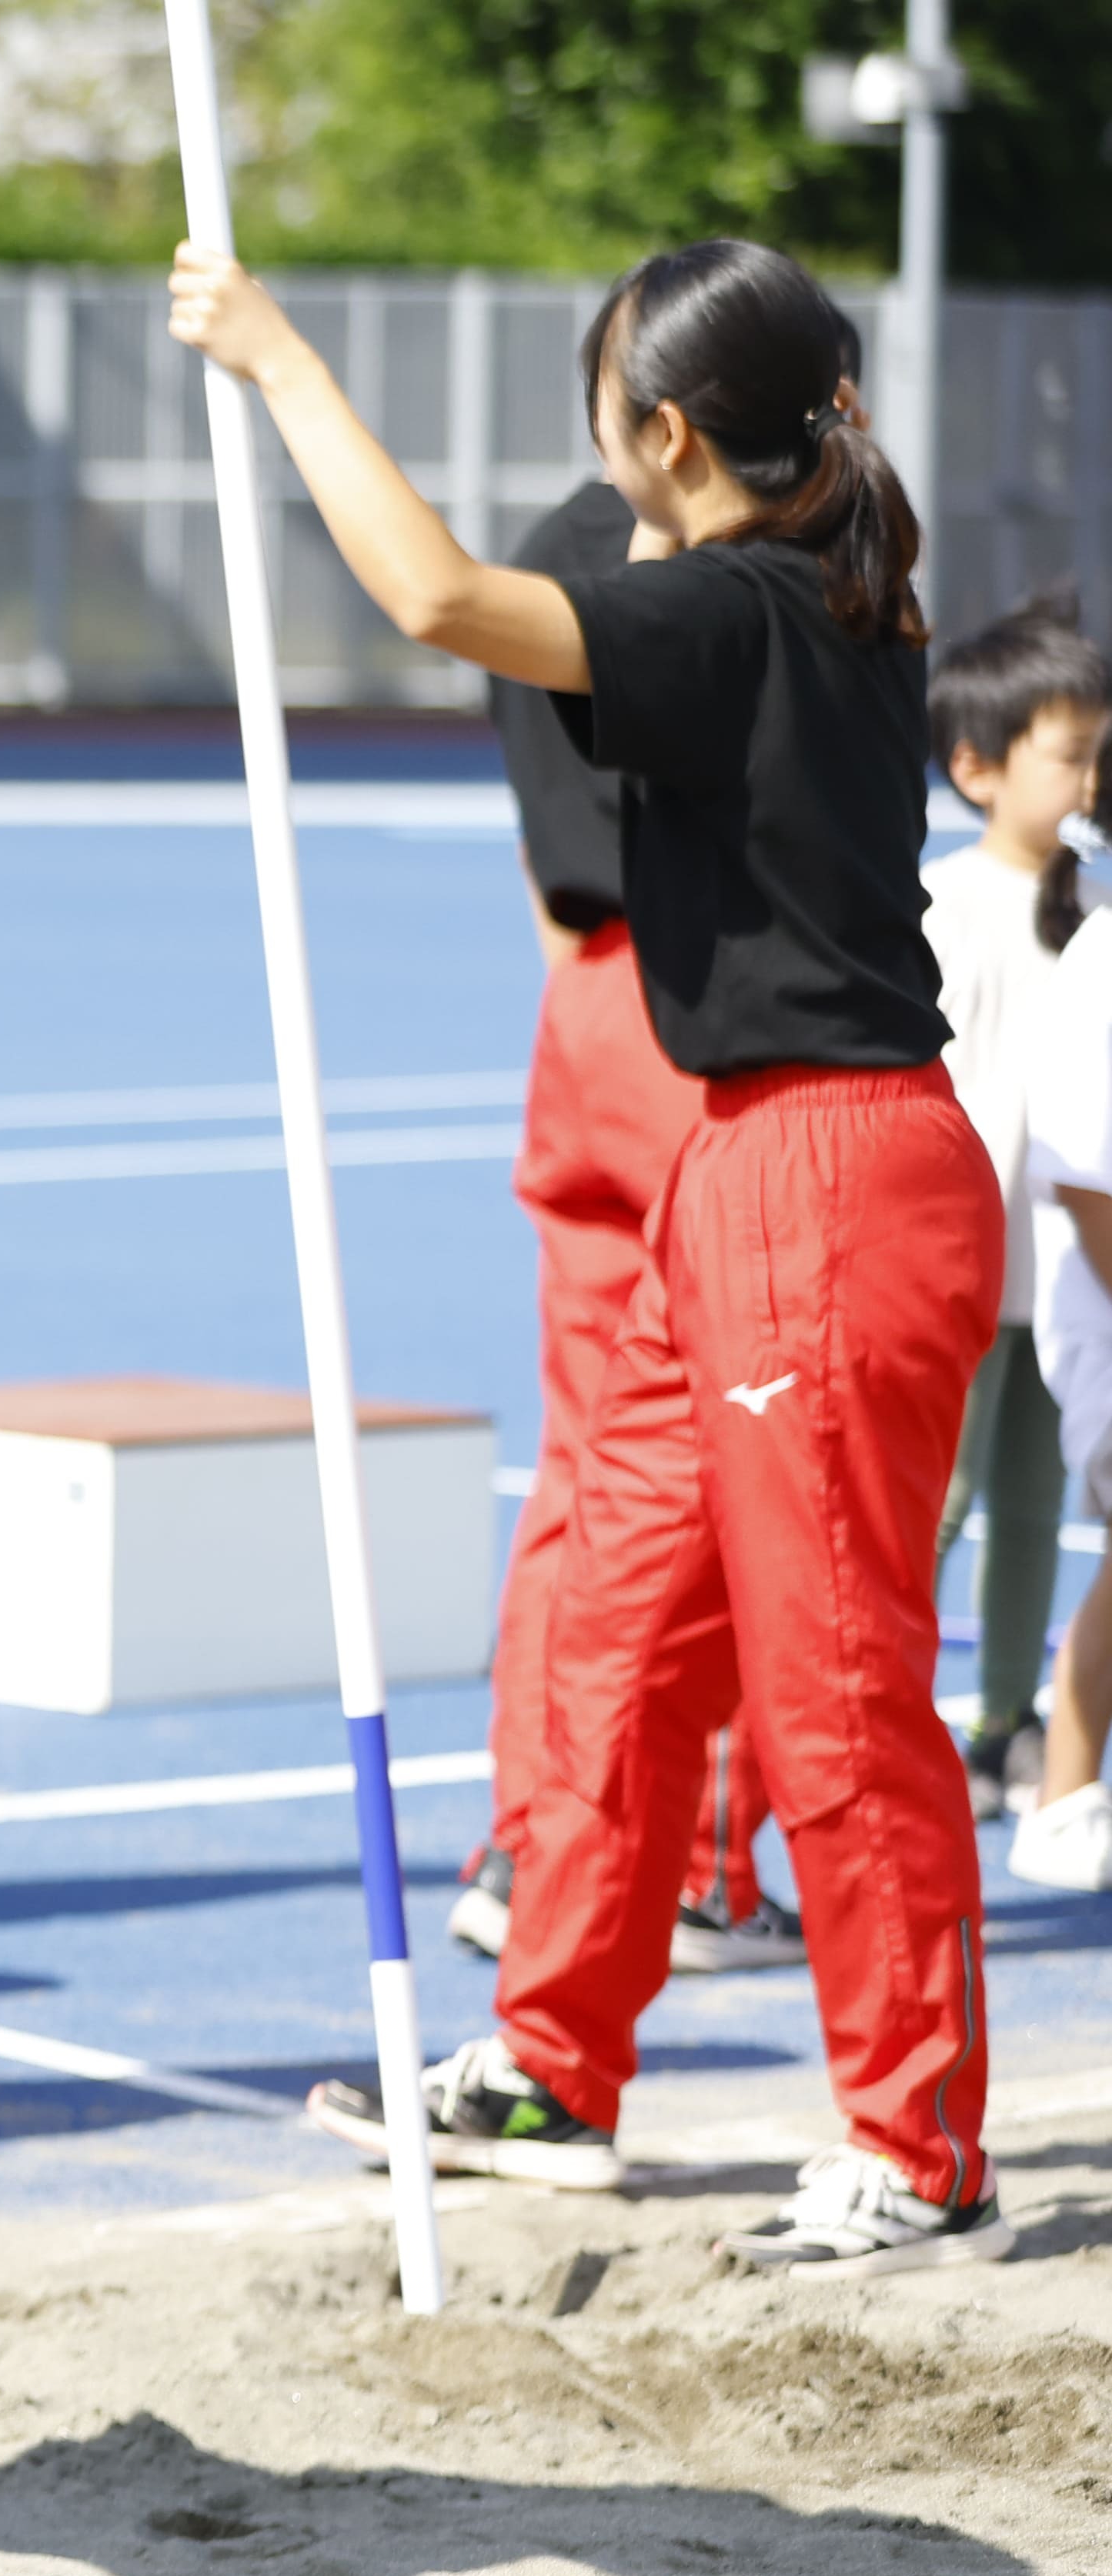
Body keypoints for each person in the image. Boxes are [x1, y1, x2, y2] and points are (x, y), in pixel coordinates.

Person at [180, 237, 1009, 2277]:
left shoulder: (739, 605)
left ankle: (918, 2134)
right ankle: (555, 2054)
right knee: (629, 1621)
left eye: (608, 409)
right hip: (737, 1162)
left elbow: (446, 597)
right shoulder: (812, 560)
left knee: (830, 1690)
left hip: (827, 1174)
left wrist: (282, 360)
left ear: (660, 434)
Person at [442, 477, 796, 1984]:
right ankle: (700, 1858)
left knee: (586, 1459)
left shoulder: (547, 555)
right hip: (695, 1000)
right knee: (727, 1454)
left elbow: (543, 837)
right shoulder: (719, 576)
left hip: (582, 996)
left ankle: (527, 1833)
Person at [920, 599, 1107, 1814]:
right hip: (965, 1273)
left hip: (1062, 1280)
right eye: (1073, 753)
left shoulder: (1091, 906)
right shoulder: (949, 907)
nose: (1094, 775)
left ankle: (1005, 1720)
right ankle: (884, 1705)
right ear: (977, 771)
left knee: (1038, 1507)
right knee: (936, 1505)